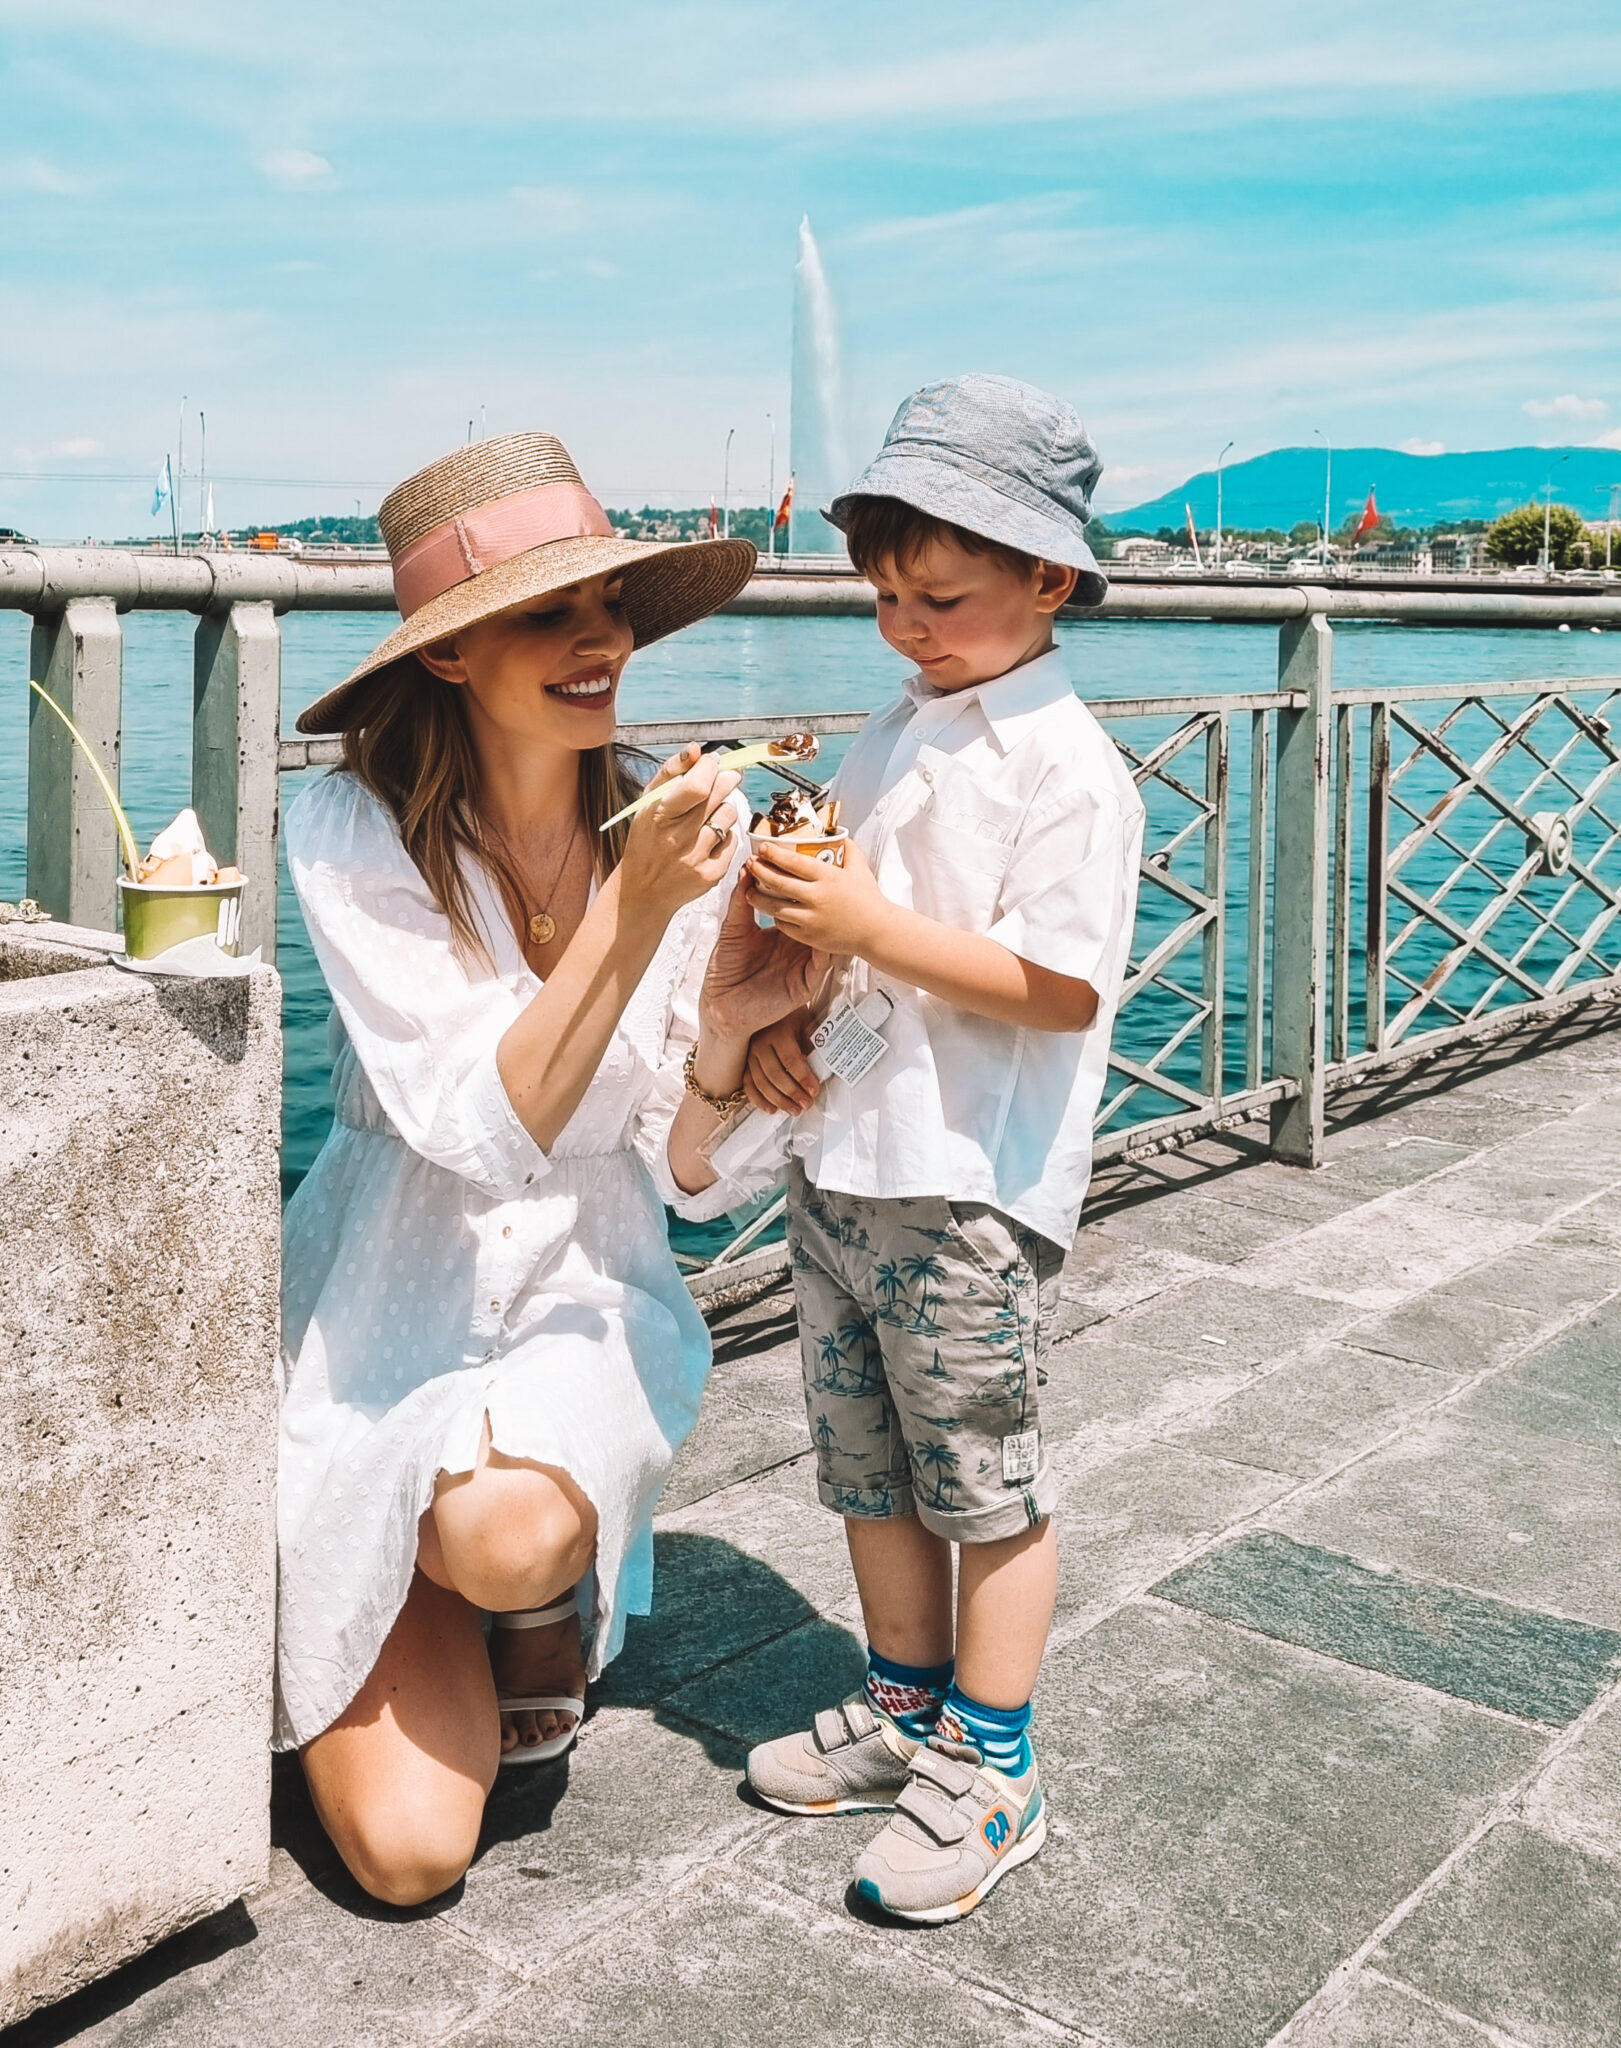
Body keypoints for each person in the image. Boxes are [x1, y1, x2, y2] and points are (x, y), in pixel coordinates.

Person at [276, 431, 820, 1905]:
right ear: (449, 655)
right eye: (547, 613)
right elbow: (467, 1123)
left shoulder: (678, 823)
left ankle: (517, 1578)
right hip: (386, 1299)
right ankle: (452, 1577)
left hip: (591, 1289)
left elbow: (688, 1177)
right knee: (406, 1859)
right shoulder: (344, 827)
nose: (600, 646)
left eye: (613, 610)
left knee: (509, 1531)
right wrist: (632, 921)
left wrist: (728, 1036)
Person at [740, 375, 1144, 1923]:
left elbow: (1059, 988)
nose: (909, 625)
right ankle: (906, 1710)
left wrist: (869, 925)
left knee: (981, 1480)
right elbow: (855, 926)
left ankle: (996, 1759)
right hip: (845, 1158)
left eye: (945, 597)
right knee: (867, 1468)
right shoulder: (898, 727)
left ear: (1051, 577)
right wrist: (796, 988)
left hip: (965, 1182)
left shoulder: (1064, 766)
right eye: (888, 597)